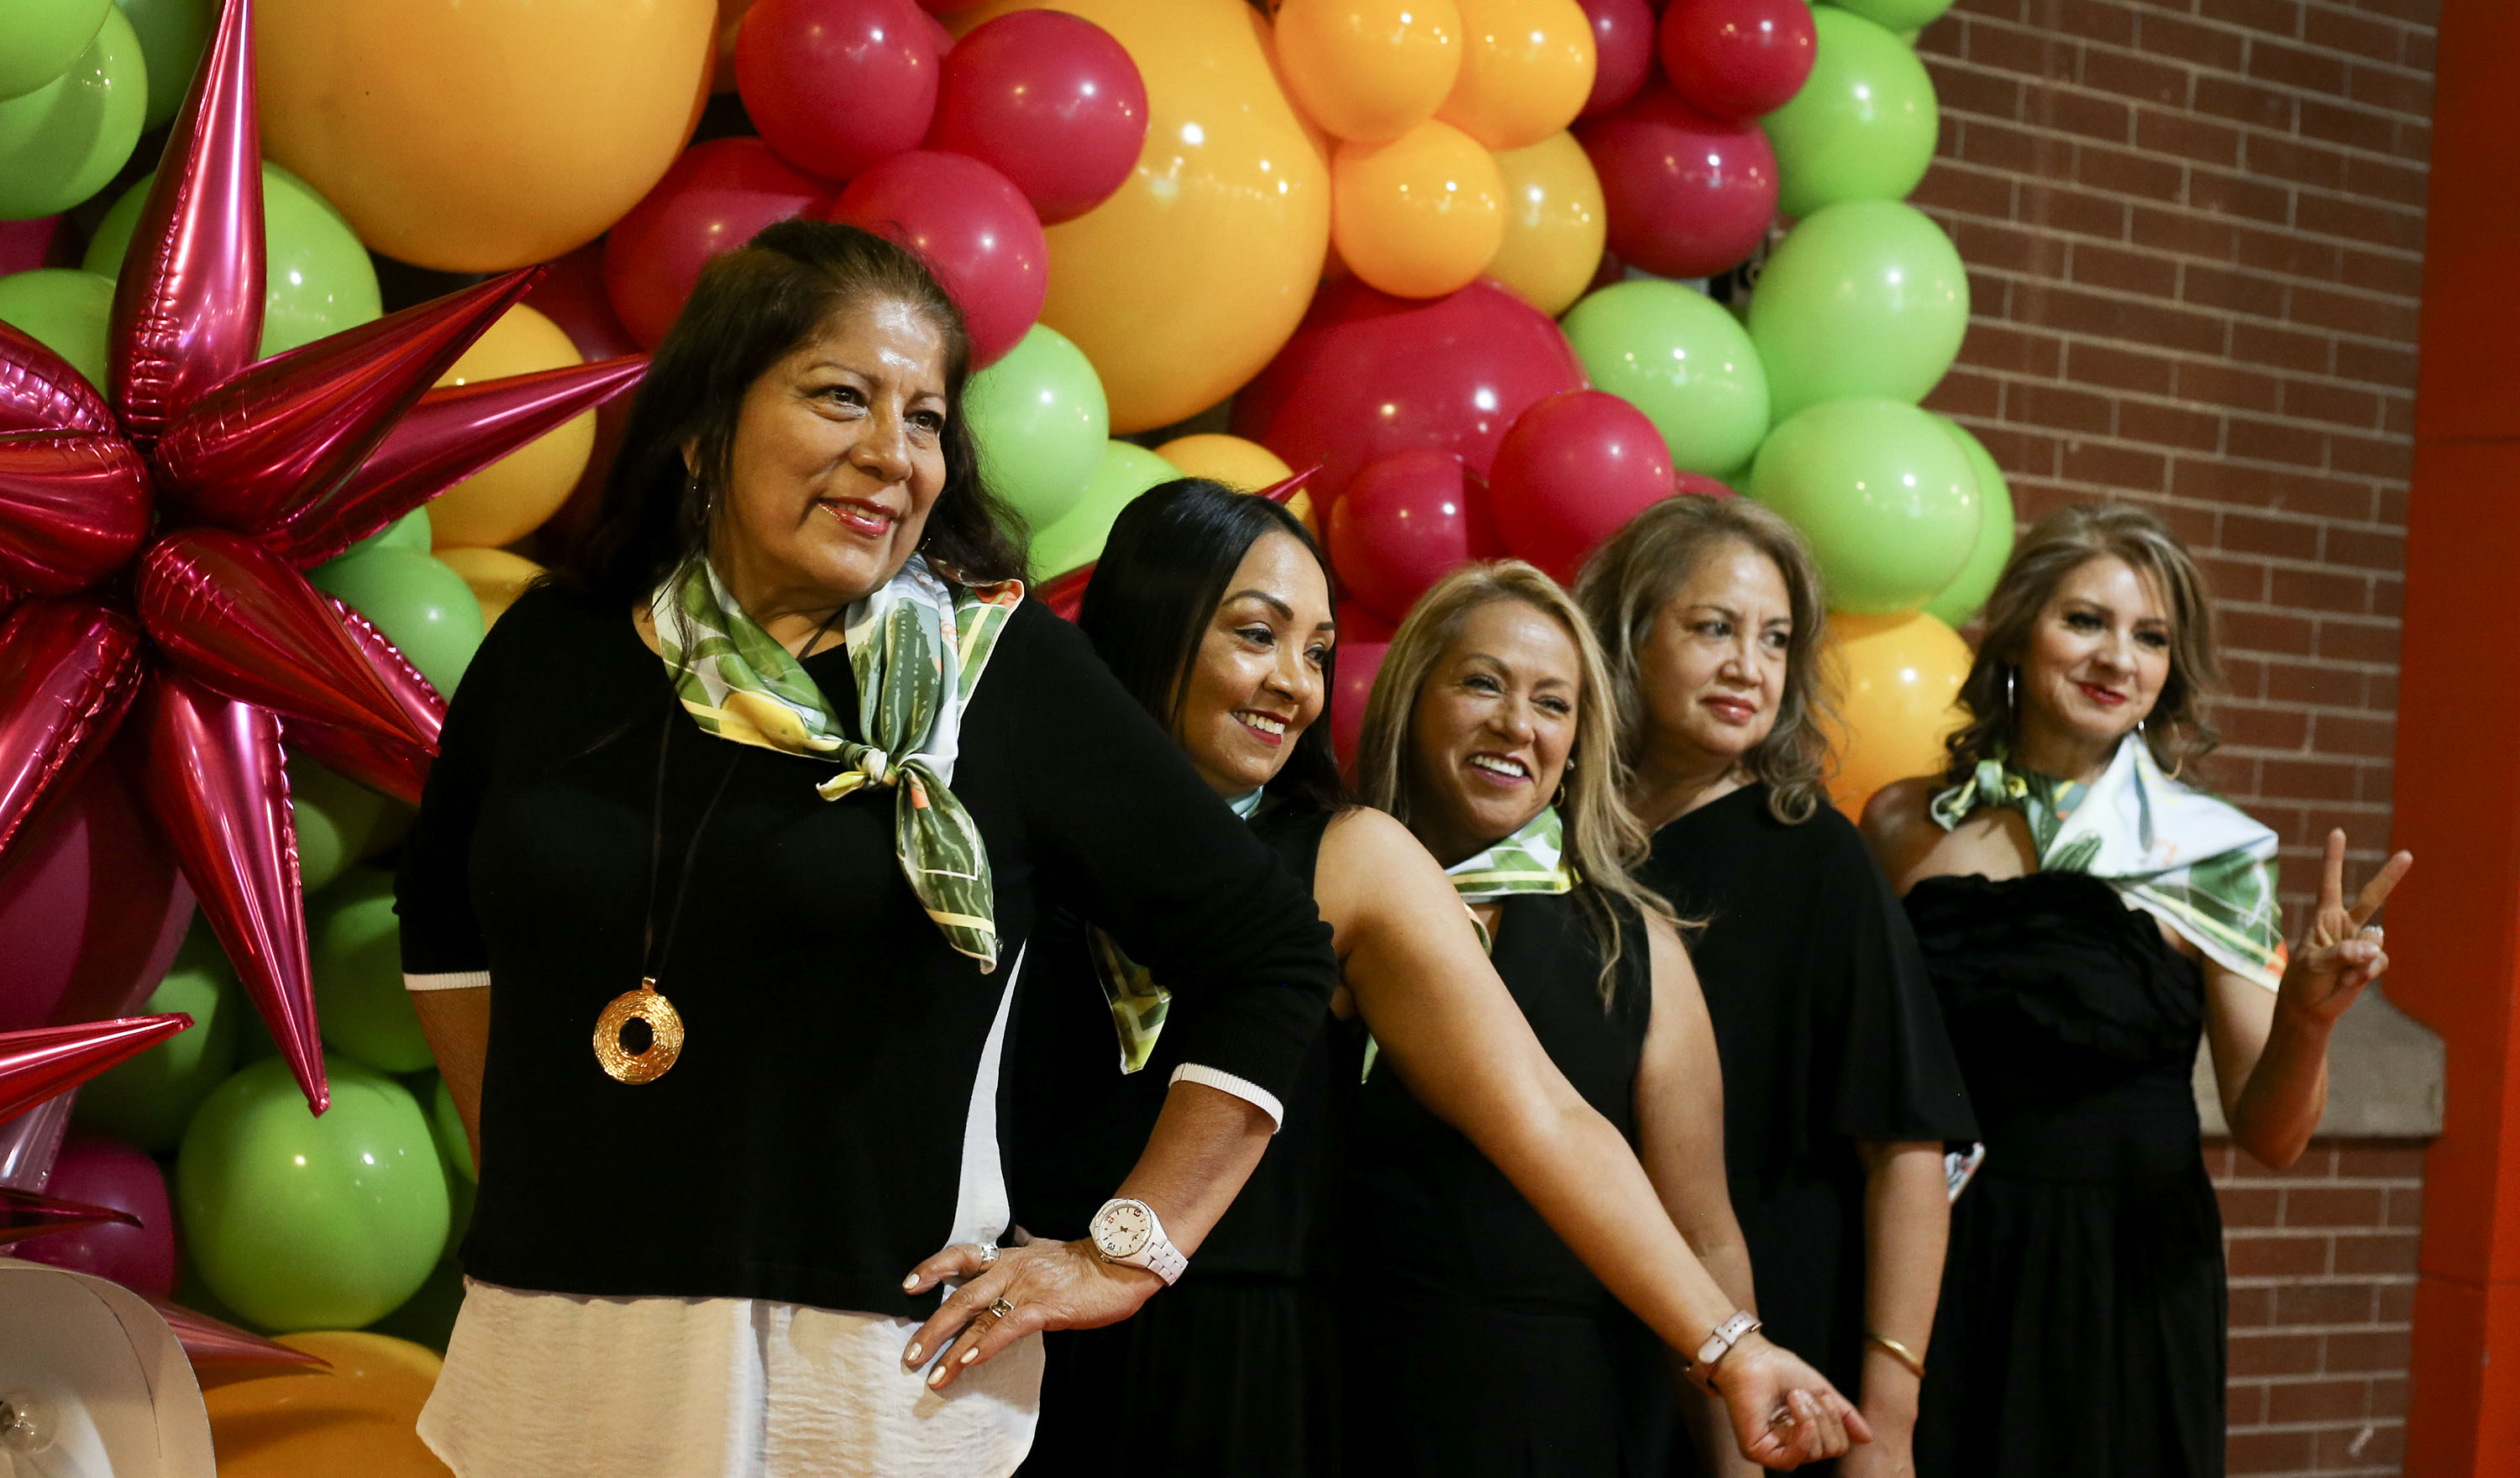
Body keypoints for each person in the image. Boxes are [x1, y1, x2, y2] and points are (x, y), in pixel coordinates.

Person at [393, 221, 1338, 1478]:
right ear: (704, 424)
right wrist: (552, 1180)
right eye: (843, 396)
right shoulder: (555, 650)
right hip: (557, 1358)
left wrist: (1125, 1249)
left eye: (928, 418)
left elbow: (1268, 950)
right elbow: (449, 926)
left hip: (863, 1392)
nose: (892, 455)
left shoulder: (996, 675)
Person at [1014, 485, 1854, 1476]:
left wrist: (1731, 1345)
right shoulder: (1006, 829)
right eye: (1257, 634)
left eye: (1319, 652)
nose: (1294, 681)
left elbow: (1549, 1116)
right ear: (1151, 625)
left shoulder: (1350, 857)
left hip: (1242, 1381)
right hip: (1004, 1342)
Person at [1861, 503, 2412, 1478]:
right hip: (1937, 1254)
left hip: (2124, 1273)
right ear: (2019, 636)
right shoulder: (1904, 819)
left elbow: (2272, 1132)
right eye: (2085, 620)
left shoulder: (2214, 850)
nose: (2118, 656)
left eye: (2150, 636)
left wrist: (2310, 1019)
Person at [1347, 560, 1866, 1476]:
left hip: (1552, 1413)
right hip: (1322, 1382)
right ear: (1408, 698)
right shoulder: (1321, 886)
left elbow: (1703, 1231)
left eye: (1554, 702)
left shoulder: (1640, 945)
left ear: (1581, 739)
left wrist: (1738, 1457)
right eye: (1482, 682)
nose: (1517, 723)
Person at [1579, 495, 1977, 1478]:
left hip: (1778, 1359)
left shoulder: (1812, 856)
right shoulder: (1557, 846)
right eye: (1713, 626)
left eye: (1775, 638)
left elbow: (1909, 1146)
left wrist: (1889, 1417)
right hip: (1581, 1339)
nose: (1748, 665)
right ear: (1628, 635)